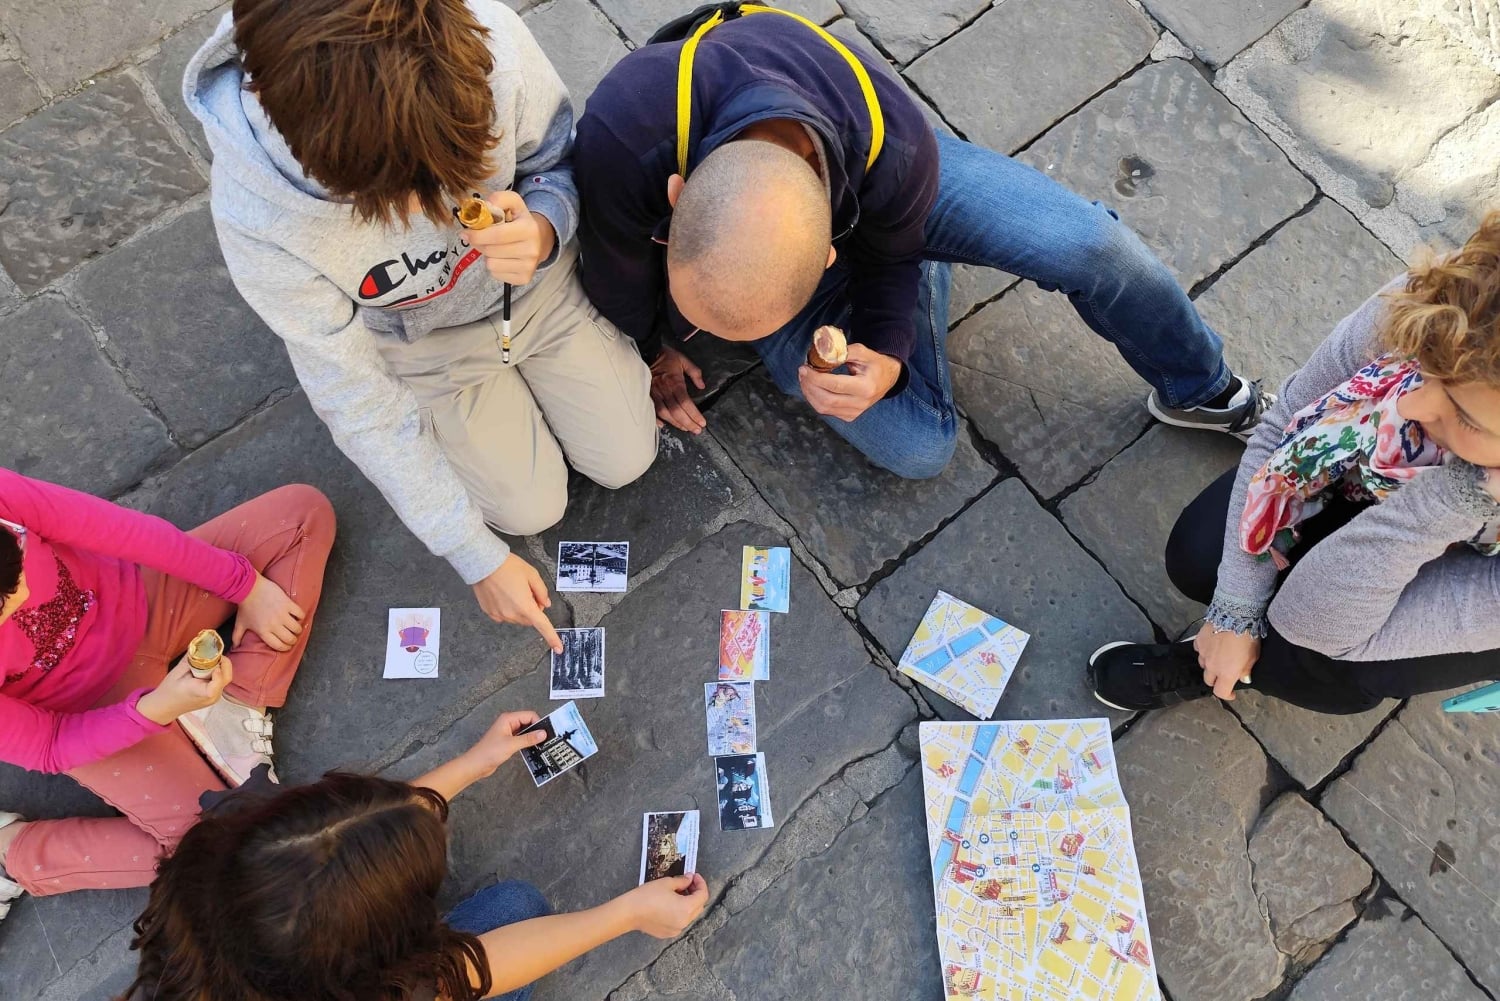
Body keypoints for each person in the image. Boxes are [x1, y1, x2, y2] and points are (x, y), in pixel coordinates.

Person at [573, 3, 1273, 479]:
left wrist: (885, 351)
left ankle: (1202, 386)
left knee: (1090, 243)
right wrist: (655, 350)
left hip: (887, 192)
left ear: (826, 255)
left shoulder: (896, 148)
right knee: (920, 448)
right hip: (798, 221)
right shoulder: (618, 135)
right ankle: (889, 285)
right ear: (674, 197)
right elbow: (615, 275)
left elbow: (891, 248)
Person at [185, 0, 658, 655]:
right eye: (393, 197)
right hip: (429, 350)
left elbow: (560, 156)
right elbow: (355, 399)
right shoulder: (257, 217)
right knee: (531, 510)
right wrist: (475, 557)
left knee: (628, 455)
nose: (431, 208)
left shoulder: (487, 42)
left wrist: (546, 221)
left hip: (541, 294)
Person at [1089, 211, 1500, 715]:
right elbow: (1285, 420)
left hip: (1476, 555)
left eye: (1466, 416)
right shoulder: (1447, 307)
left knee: (1312, 660)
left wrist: (1455, 497)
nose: (1411, 404)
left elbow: (1314, 622)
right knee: (1202, 559)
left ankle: (1229, 673)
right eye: (1426, 364)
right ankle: (1226, 652)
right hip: (1366, 480)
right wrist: (1235, 612)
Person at [123, 709, 709, 1001]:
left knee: (515, 907)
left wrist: (471, 764)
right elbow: (463, 974)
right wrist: (627, 915)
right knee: (518, 907)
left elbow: (350, 834)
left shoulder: (218, 862)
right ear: (374, 953)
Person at [0, 470, 334, 920]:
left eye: (14, 555)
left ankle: (237, 703)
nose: (23, 590)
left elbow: (119, 530)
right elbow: (49, 744)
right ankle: (15, 854)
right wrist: (155, 710)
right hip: (88, 708)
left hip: (139, 597)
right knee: (221, 851)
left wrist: (247, 586)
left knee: (301, 513)